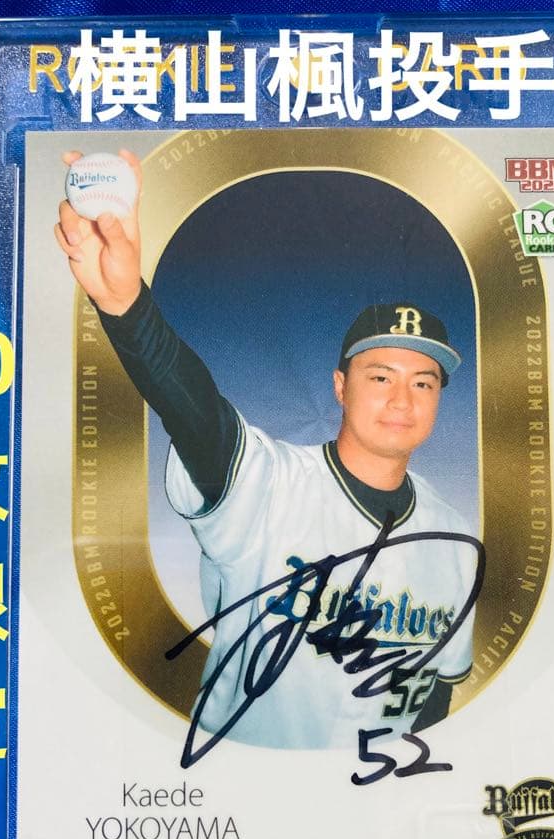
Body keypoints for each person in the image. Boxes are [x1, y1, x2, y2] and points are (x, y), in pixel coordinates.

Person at [55, 150, 481, 758]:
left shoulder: (456, 541)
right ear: (340, 387)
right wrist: (127, 308)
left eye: (424, 382)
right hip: (240, 782)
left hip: (370, 799)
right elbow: (197, 414)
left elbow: (437, 690)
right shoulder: (271, 483)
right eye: (380, 376)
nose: (402, 399)